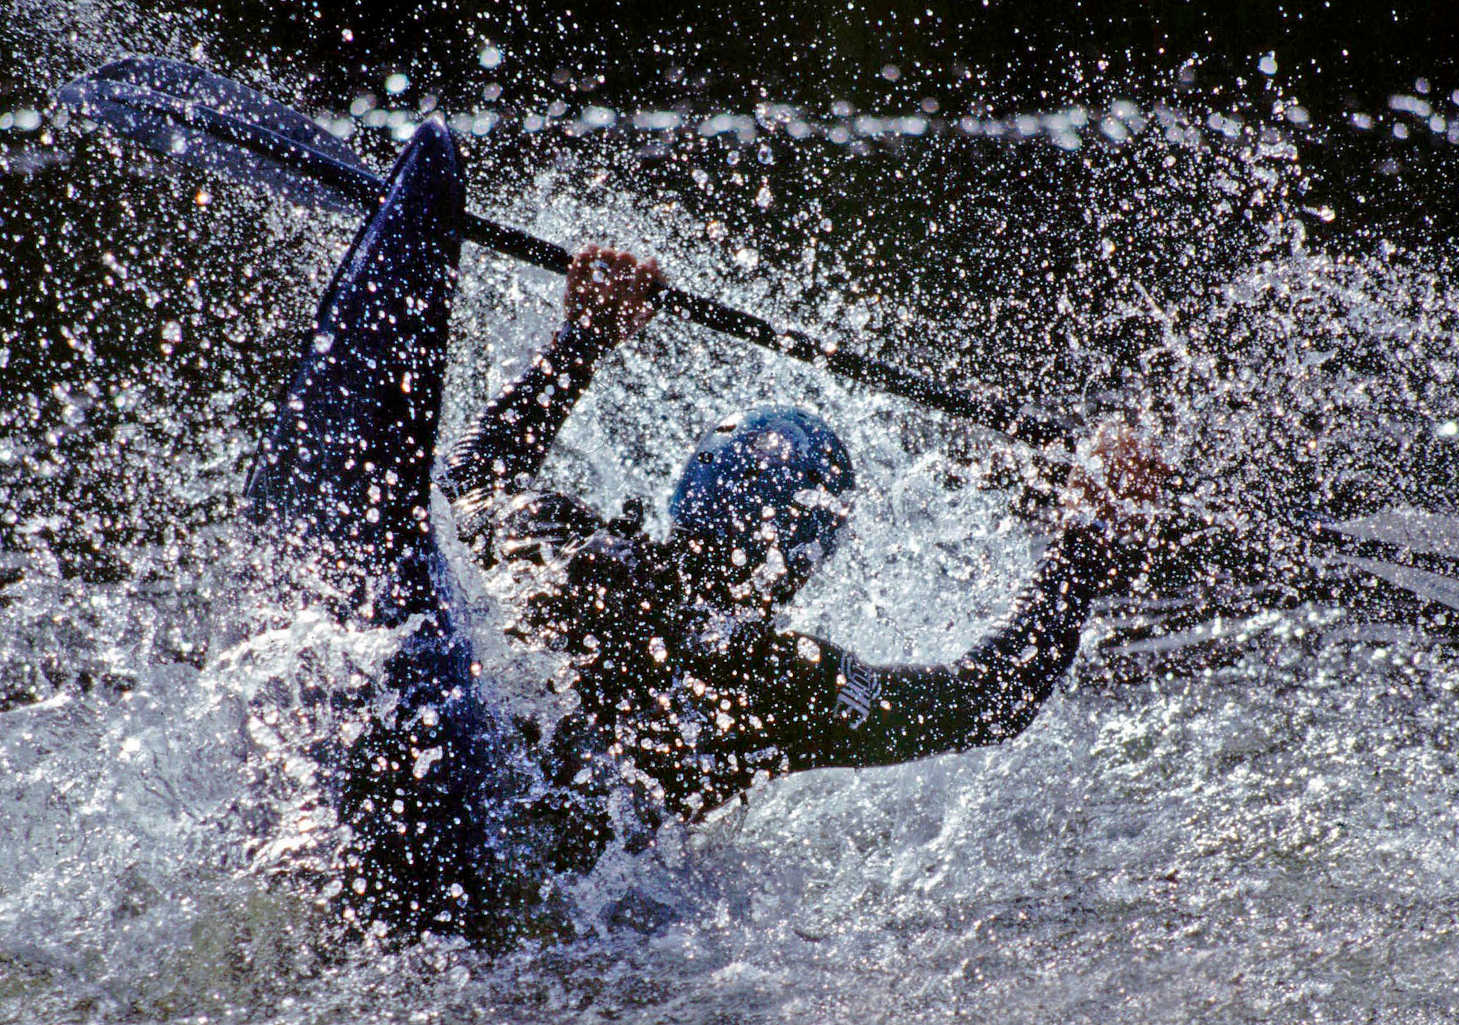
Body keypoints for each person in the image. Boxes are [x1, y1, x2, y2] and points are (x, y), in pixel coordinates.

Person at [245, 118, 1165, 948]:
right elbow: (990, 695)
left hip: (436, 804)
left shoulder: (558, 545)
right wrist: (1084, 535)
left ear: (688, 487)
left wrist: (581, 343)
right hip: (546, 912)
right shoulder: (779, 685)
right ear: (802, 562)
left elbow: (473, 479)